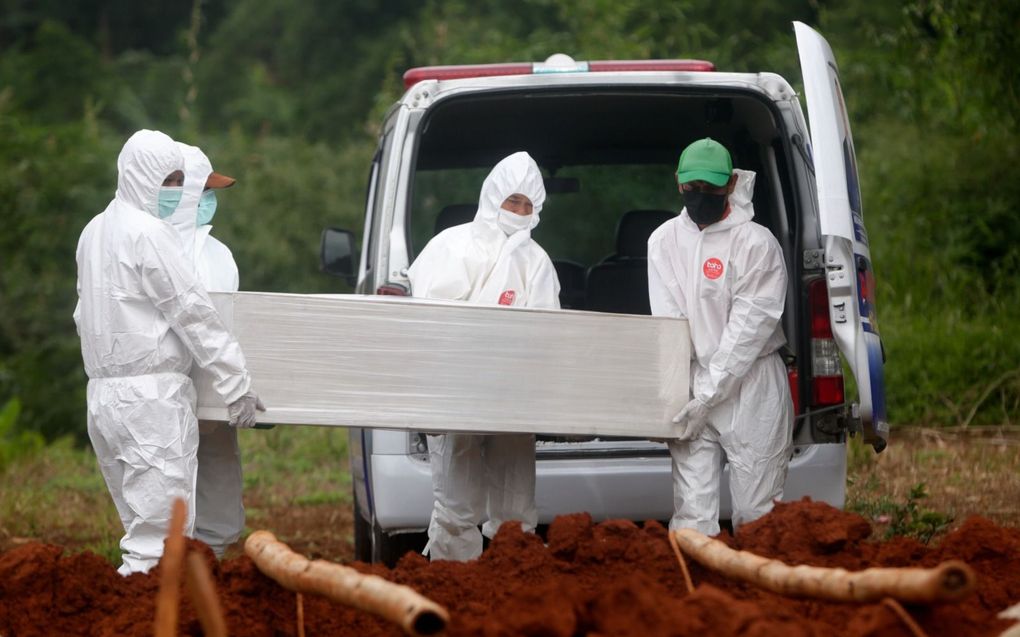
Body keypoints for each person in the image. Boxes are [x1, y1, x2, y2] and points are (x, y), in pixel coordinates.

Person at [74, 130, 264, 574]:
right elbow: (193, 313)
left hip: (104, 399)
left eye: (181, 179)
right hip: (151, 402)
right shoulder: (149, 233)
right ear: (143, 176)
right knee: (160, 544)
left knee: (143, 527)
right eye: (170, 179)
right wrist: (237, 385)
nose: (177, 191)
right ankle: (150, 619)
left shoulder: (94, 230)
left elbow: (85, 313)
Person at [408, 151, 560, 561]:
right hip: (456, 394)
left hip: (513, 398)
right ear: (493, 197)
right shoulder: (452, 246)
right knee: (457, 502)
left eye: (528, 205)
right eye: (513, 201)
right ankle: (455, 588)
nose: (520, 211)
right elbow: (428, 321)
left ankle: (512, 585)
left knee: (516, 502)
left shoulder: (536, 261)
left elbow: (549, 333)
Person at [647, 137, 792, 536]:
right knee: (692, 515)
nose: (701, 197)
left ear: (731, 184)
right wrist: (672, 395)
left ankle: (757, 593)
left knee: (757, 512)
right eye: (693, 189)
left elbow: (749, 328)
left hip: (752, 386)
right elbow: (669, 322)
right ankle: (700, 596)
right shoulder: (662, 241)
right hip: (693, 384)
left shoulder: (757, 244)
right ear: (678, 182)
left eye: (711, 189)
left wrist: (709, 395)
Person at [167, 142, 244, 558]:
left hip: (214, 391)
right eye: (206, 191)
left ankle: (213, 566)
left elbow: (229, 323)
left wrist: (238, 383)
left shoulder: (217, 252)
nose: (211, 201)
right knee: (167, 493)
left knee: (216, 480)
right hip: (166, 391)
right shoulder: (149, 246)